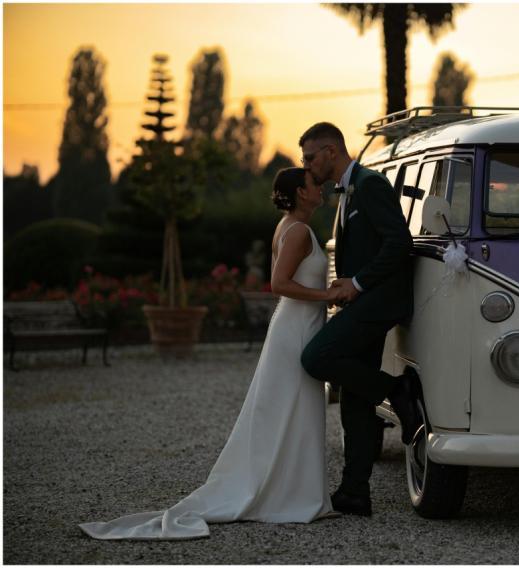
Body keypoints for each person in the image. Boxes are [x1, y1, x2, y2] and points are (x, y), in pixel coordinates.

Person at [79, 168, 343, 540]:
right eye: (316, 184)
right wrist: (327, 295)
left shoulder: (288, 225)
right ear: (301, 192)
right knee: (294, 407)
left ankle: (298, 494)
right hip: (296, 328)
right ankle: (293, 497)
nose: (322, 188)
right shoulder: (298, 230)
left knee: (294, 410)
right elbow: (279, 284)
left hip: (295, 326)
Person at [299, 122, 418, 518]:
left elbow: (399, 242)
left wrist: (359, 283)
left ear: (331, 152)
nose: (307, 165)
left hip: (381, 300)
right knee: (354, 398)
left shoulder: (369, 185)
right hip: (363, 302)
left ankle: (398, 392)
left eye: (310, 157)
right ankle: (354, 492)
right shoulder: (349, 190)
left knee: (316, 357)